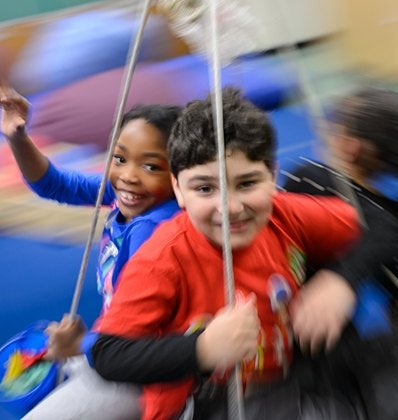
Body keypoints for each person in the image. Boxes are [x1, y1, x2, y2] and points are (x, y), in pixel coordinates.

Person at [91, 87, 362, 419]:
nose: (230, 207)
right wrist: (203, 349)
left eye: (247, 183)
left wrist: (341, 280)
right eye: (205, 188)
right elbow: (108, 353)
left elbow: (374, 225)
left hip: (286, 389)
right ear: (178, 189)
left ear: (273, 176)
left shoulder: (284, 215)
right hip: (201, 404)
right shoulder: (163, 258)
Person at [0, 69, 182, 419]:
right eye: (120, 158)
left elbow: (146, 338)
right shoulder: (128, 198)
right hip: (112, 349)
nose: (128, 176)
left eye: (151, 166)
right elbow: (55, 184)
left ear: (179, 174)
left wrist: (80, 345)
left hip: (139, 373)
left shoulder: (153, 230)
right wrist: (17, 135)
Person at [282, 86, 398, 419]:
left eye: (333, 123)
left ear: (349, 145)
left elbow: (383, 232)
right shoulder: (396, 217)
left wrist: (342, 279)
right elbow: (394, 294)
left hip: (311, 343)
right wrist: (344, 278)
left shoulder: (310, 179)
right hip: (335, 338)